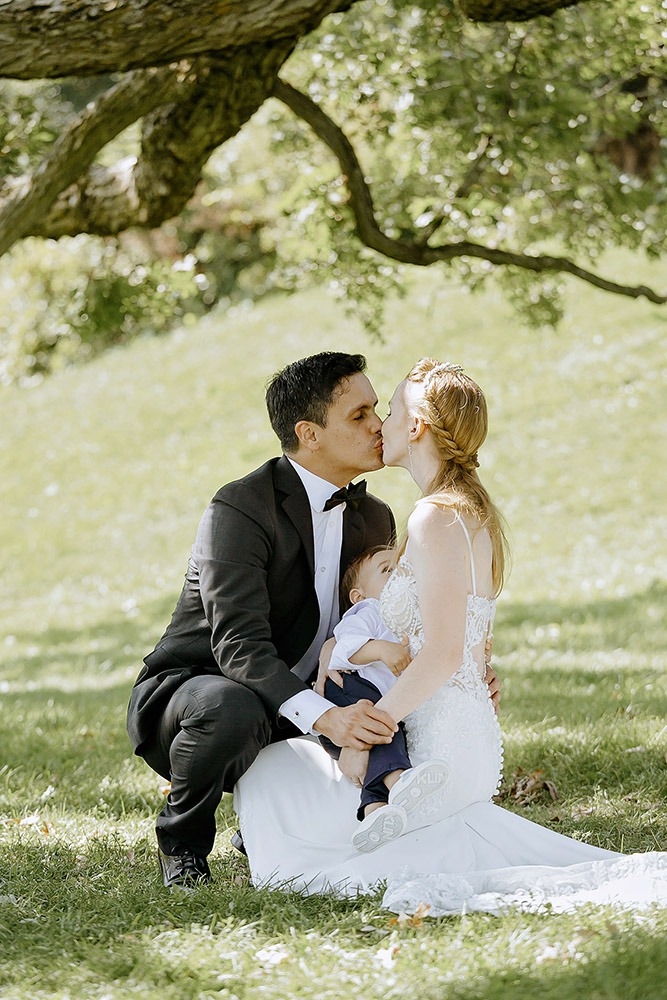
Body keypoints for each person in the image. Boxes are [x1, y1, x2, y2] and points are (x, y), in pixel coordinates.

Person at [233, 359, 667, 914]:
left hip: (435, 749)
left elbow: (442, 654)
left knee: (275, 782)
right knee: (281, 771)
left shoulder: (433, 518)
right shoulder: (468, 510)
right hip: (458, 732)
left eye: (387, 412)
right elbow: (461, 641)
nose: (378, 425)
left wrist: (370, 726)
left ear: (415, 427)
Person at [126, 352, 400, 890]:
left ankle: (274, 821)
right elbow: (238, 647)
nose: (379, 425)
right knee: (231, 707)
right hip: (196, 695)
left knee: (388, 713)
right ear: (309, 433)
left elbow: (382, 626)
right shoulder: (239, 508)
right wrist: (326, 718)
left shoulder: (375, 517)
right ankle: (182, 844)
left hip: (305, 694)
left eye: (378, 409)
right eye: (360, 415)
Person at [318, 545, 450, 852]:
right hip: (348, 694)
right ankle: (400, 781)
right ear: (358, 595)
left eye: (402, 567)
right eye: (387, 570)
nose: (399, 574)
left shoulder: (410, 616)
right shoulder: (369, 611)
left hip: (380, 702)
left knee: (390, 732)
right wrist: (379, 649)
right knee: (383, 725)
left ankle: (373, 812)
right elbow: (340, 650)